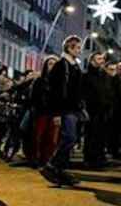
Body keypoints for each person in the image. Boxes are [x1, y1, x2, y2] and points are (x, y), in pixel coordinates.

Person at [39, 36, 85, 187]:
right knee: (69, 138)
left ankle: (60, 169)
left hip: (73, 109)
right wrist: (56, 113)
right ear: (69, 48)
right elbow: (55, 91)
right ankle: (52, 165)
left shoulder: (75, 66)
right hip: (64, 109)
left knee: (71, 138)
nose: (80, 50)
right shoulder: (61, 65)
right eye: (77, 47)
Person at [81, 52, 114, 169]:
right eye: (98, 58)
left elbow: (109, 92)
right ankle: (89, 159)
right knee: (91, 135)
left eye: (102, 58)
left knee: (101, 136)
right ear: (92, 61)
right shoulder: (86, 76)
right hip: (91, 110)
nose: (102, 60)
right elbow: (84, 94)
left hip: (103, 111)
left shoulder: (105, 76)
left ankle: (99, 158)